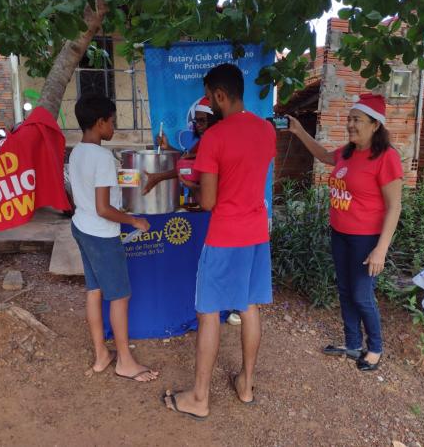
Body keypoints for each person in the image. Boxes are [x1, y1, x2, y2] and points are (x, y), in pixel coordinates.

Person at [163, 64, 276, 419]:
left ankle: (199, 398)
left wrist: (193, 185)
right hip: (257, 233)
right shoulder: (266, 131)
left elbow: (209, 202)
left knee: (209, 312)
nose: (209, 103)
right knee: (249, 306)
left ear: (221, 95)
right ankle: (245, 385)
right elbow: (248, 176)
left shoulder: (215, 137)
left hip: (226, 235)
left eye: (210, 96)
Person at [286, 93, 403, 371]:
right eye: (349, 119)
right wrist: (300, 131)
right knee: (344, 290)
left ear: (375, 125)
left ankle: (374, 347)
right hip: (340, 233)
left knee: (362, 294)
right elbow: (324, 155)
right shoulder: (348, 152)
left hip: (367, 239)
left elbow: (394, 206)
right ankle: (352, 343)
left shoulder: (386, 158)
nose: (350, 124)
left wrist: (381, 249)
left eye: (357, 120)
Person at [69, 94, 159, 382]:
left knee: (94, 292)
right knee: (120, 297)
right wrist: (134, 220)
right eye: (112, 121)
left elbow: (89, 196)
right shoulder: (102, 156)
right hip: (101, 235)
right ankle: (125, 361)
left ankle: (101, 355)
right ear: (99, 123)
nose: (114, 127)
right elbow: (104, 208)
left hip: (81, 226)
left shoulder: (77, 152)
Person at [142, 96, 219, 195]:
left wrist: (158, 177)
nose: (198, 125)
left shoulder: (216, 139)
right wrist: (168, 147)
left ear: (213, 119)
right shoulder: (204, 140)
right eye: (196, 121)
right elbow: (187, 159)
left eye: (202, 120)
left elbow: (191, 166)